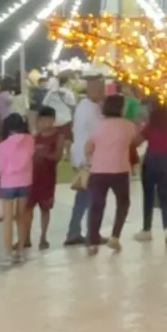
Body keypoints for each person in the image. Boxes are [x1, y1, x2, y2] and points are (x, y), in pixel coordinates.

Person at [85, 94, 136, 254]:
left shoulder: (98, 126)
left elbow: (88, 148)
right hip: (120, 170)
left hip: (98, 171)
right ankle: (115, 237)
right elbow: (131, 144)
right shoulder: (129, 126)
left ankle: (93, 242)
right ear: (120, 108)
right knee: (123, 203)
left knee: (97, 206)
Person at [63, 75, 105, 246]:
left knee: (83, 198)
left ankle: (74, 232)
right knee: (93, 198)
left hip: (81, 157)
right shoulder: (91, 109)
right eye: (100, 89)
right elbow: (99, 133)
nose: (102, 93)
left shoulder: (84, 106)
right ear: (92, 89)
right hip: (89, 160)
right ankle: (91, 234)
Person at [135, 97, 167, 243]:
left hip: (151, 160)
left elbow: (137, 141)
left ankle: (147, 230)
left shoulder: (150, 126)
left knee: (148, 196)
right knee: (165, 196)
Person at [0, 113, 35, 265]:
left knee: (8, 219)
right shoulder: (30, 140)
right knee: (21, 218)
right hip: (25, 183)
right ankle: (20, 250)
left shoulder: (4, 145)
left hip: (7, 184)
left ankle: (8, 252)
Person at [25, 106, 65, 249]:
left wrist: (43, 155)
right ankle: (26, 238)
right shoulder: (35, 137)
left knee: (45, 209)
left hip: (47, 178)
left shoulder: (58, 136)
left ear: (53, 120)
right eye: (41, 121)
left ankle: (43, 237)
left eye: (47, 120)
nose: (44, 123)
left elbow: (58, 156)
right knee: (27, 209)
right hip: (32, 178)